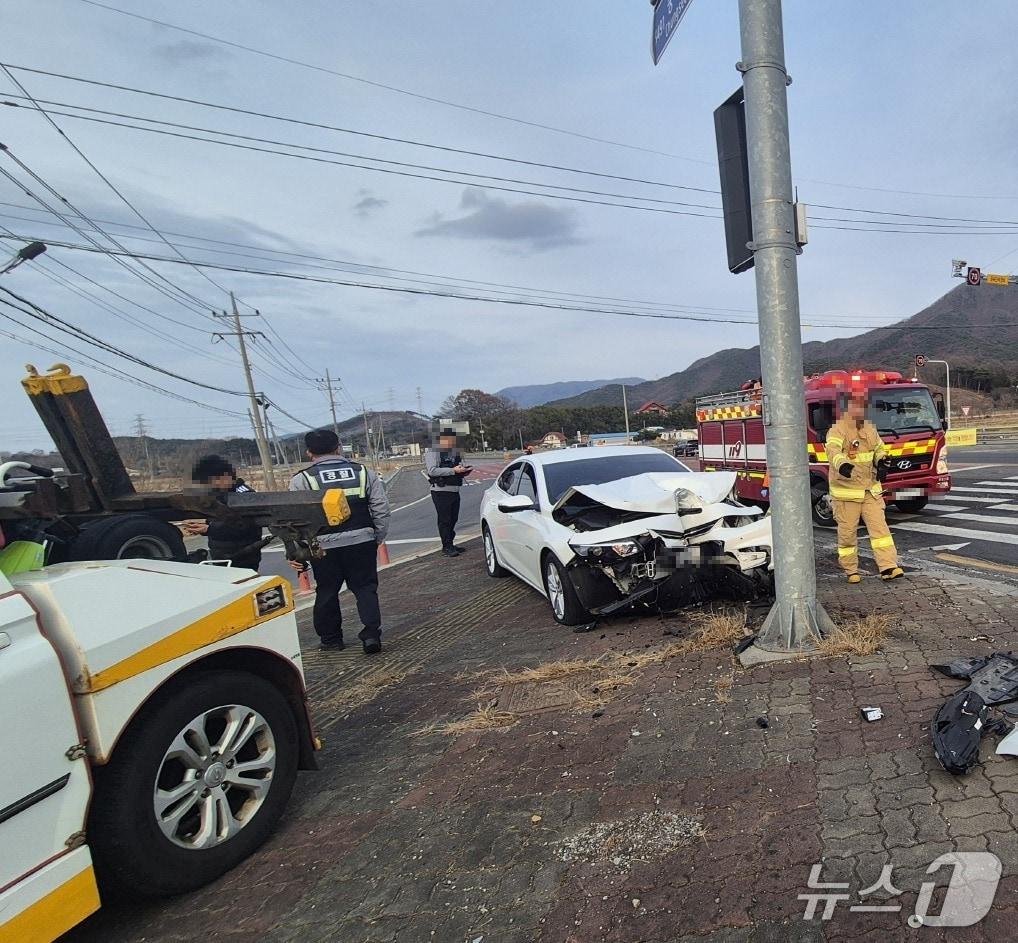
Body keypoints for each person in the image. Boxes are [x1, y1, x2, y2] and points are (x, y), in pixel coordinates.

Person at [288, 429, 390, 654]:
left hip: (323, 547)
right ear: (339, 447)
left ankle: (331, 639)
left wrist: (300, 551)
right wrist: (376, 537)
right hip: (361, 540)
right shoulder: (364, 472)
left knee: (326, 590)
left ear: (308, 453)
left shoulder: (302, 479)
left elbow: (296, 521)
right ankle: (371, 635)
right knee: (365, 588)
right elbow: (381, 508)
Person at [825, 390, 904, 584]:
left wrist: (882, 460)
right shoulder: (838, 429)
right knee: (847, 535)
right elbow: (832, 449)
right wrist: (842, 464)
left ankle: (888, 567)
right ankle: (850, 570)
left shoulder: (869, 428)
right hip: (846, 494)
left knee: (881, 531)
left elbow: (879, 448)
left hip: (870, 490)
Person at [183, 455, 263, 571]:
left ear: (226, 476)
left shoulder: (244, 495)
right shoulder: (220, 495)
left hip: (243, 556)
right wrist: (203, 526)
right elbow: (220, 520)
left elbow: (245, 526)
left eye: (212, 481)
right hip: (221, 555)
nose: (210, 486)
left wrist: (209, 529)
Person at [425, 426, 473, 557]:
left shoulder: (453, 452)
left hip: (454, 489)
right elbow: (432, 470)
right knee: (445, 519)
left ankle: (450, 543)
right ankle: (446, 546)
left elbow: (457, 467)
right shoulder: (433, 452)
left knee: (453, 518)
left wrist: (463, 471)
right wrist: (453, 471)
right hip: (440, 490)